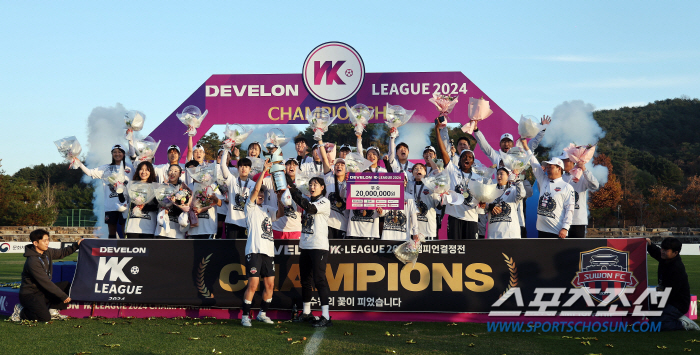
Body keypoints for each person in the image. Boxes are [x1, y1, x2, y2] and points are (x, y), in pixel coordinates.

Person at [241, 159, 285, 327]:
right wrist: (265, 171)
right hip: (254, 250)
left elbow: (280, 214)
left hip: (268, 252)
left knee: (270, 284)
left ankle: (262, 313)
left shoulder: (267, 209)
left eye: (262, 195)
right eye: (258, 194)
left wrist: (280, 199)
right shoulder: (250, 207)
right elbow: (257, 188)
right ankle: (245, 315)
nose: (260, 195)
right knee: (253, 285)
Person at [288, 176, 333, 327]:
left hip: (318, 246)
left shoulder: (324, 202)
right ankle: (307, 312)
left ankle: (325, 316)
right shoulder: (309, 200)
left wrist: (294, 192)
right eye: (310, 184)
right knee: (305, 280)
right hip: (305, 245)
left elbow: (310, 208)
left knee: (319, 279)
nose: (312, 186)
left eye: (316, 184)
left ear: (322, 188)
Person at [11, 229, 82, 322]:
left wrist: (76, 245)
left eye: (48, 240)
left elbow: (62, 252)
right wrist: (63, 296)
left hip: (42, 292)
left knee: (66, 285)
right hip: (30, 295)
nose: (47, 243)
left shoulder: (47, 252)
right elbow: (46, 283)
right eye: (44, 241)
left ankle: (52, 311)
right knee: (44, 318)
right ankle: (21, 311)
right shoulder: (32, 261)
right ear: (35, 243)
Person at [75, 144, 132, 238]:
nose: (117, 154)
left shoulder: (130, 168)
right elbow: (89, 172)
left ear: (124, 154)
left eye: (120, 152)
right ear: (112, 154)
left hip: (125, 204)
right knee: (112, 230)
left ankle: (125, 250)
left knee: (125, 229)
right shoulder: (105, 168)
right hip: (110, 205)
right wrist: (79, 163)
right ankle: (112, 250)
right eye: (115, 152)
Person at [435, 123, 481, 239]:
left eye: (470, 157)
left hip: (471, 217)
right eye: (464, 156)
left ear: (473, 162)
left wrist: (483, 203)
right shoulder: (452, 170)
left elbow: (481, 199)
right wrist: (437, 129)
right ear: (459, 160)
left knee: (471, 251)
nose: (467, 158)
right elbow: (443, 151)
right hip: (454, 217)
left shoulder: (478, 178)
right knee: (455, 250)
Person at [522, 139, 574, 238]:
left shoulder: (567, 187)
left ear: (559, 168)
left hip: (557, 232)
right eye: (547, 167)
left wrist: (565, 228)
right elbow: (534, 163)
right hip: (541, 230)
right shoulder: (543, 180)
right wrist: (526, 148)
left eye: (551, 167)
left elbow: (570, 210)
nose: (548, 169)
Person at [646, 237, 700, 331]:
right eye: (662, 248)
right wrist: (650, 244)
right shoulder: (666, 258)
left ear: (675, 253)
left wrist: (658, 305)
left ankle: (683, 323)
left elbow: (671, 293)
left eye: (666, 250)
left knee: (655, 324)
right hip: (665, 297)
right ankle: (666, 316)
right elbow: (656, 252)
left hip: (677, 304)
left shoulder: (676, 268)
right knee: (649, 313)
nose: (662, 251)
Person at [560, 153, 600, 238]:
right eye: (562, 160)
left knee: (576, 249)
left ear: (572, 161)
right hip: (561, 221)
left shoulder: (582, 176)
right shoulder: (560, 178)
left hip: (578, 221)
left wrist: (584, 169)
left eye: (564, 160)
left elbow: (595, 185)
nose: (562, 162)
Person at [219, 149, 254, 239]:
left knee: (244, 251)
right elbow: (223, 166)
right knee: (230, 250)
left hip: (247, 223)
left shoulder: (253, 185)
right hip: (232, 223)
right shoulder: (232, 180)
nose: (243, 168)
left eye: (246, 166)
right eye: (241, 166)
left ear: (250, 169)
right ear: (237, 168)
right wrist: (226, 149)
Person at [319, 139, 349, 239]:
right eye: (337, 164)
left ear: (346, 169)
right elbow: (324, 158)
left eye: (342, 165)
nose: (339, 166)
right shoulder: (329, 177)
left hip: (343, 225)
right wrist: (319, 140)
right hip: (327, 223)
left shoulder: (350, 182)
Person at [266, 158, 302, 240]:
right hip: (277, 228)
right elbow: (255, 179)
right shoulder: (275, 181)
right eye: (288, 164)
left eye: (294, 164)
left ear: (298, 168)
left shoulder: (301, 184)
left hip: (295, 229)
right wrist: (267, 170)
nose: (291, 166)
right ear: (284, 167)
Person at [487, 167, 525, 239]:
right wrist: (489, 206)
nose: (498, 176)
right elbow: (483, 205)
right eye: (497, 174)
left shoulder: (513, 189)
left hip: (510, 234)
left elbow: (522, 194)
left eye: (501, 174)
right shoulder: (490, 191)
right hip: (493, 233)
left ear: (508, 176)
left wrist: (517, 179)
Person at [155, 164, 190, 239]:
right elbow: (156, 203)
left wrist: (172, 207)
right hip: (161, 230)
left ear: (180, 174)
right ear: (167, 173)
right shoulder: (161, 187)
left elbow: (185, 208)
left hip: (176, 231)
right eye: (170, 170)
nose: (172, 173)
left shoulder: (184, 189)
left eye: (175, 171)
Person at [125, 161, 159, 238]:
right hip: (132, 226)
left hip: (148, 227)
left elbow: (158, 205)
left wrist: (144, 206)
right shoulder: (131, 185)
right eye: (141, 169)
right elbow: (125, 202)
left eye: (147, 170)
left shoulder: (155, 187)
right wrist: (119, 189)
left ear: (151, 172)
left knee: (148, 249)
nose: (144, 172)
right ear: (138, 171)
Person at [408, 163, 441, 240]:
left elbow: (439, 206)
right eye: (415, 168)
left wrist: (443, 197)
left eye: (421, 168)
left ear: (425, 172)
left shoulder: (431, 185)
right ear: (412, 173)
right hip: (412, 230)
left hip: (428, 229)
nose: (418, 170)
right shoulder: (409, 185)